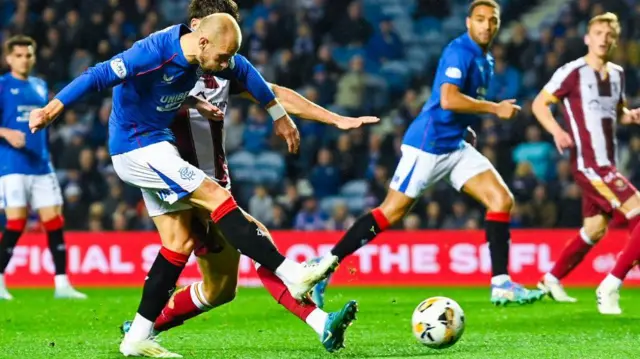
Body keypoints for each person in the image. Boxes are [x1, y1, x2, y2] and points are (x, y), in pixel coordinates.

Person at [28, 14, 332, 357]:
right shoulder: (152, 52)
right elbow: (98, 75)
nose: (224, 64)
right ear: (202, 42)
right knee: (217, 196)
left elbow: (245, 72)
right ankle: (293, 273)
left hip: (158, 143)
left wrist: (277, 115)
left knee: (179, 242)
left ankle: (137, 337)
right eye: (221, 57)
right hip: (137, 146)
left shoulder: (206, 55)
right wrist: (50, 110)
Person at [119, 0, 381, 352]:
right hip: (183, 188)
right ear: (200, 30)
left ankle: (141, 325)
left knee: (220, 290)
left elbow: (274, 93)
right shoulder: (168, 69)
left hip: (214, 186)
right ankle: (321, 322)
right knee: (261, 244)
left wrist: (335, 119)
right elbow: (131, 93)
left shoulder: (223, 72)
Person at [311, 0, 545, 307]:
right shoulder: (459, 51)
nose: (486, 25)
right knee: (391, 212)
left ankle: (501, 284)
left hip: (455, 145)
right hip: (429, 144)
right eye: (480, 19)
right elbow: (447, 99)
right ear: (468, 22)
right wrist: (494, 109)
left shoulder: (484, 60)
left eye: (492, 20)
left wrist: (465, 128)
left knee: (501, 199)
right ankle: (324, 266)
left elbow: (458, 103)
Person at [532, 12, 640, 315]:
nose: (604, 38)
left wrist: (630, 115)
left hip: (609, 163)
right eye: (598, 32)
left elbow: (617, 111)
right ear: (587, 38)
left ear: (615, 40)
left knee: (594, 229)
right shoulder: (572, 71)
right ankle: (610, 286)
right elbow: (539, 103)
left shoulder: (617, 73)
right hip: (590, 164)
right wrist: (556, 131)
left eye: (610, 34)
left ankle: (550, 280)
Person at [0, 35, 86, 300]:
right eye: (18, 55)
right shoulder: (2, 85)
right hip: (12, 164)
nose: (24, 60)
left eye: (28, 55)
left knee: (54, 221)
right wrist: (5, 132)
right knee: (17, 221)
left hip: (41, 164)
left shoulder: (40, 85)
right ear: (8, 58)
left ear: (34, 57)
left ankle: (62, 284)